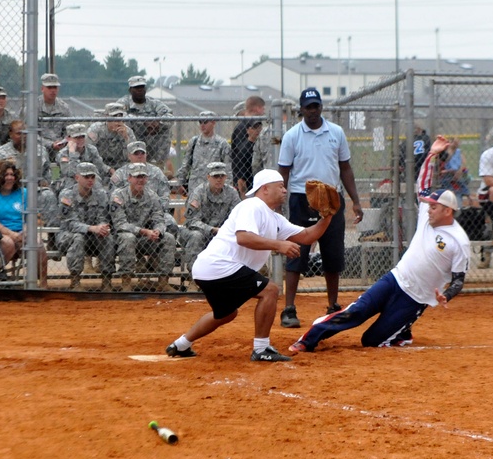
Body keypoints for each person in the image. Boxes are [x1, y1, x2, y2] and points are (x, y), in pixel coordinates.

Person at [289, 136, 470, 353]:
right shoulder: (427, 215)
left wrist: (446, 295)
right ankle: (307, 340)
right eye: (429, 206)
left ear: (447, 211)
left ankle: (402, 330)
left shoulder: (459, 241)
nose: (428, 209)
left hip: (416, 299)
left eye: (434, 207)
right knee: (355, 312)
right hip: (395, 279)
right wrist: (432, 154)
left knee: (371, 341)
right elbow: (422, 184)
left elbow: (459, 279)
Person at [164, 168, 334, 362]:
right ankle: (261, 349)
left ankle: (181, 344)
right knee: (270, 290)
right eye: (280, 186)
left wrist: (327, 217)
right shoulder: (252, 205)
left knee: (226, 314)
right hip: (220, 266)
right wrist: (279, 244)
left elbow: (307, 236)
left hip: (210, 270)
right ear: (265, 189)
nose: (285, 190)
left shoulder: (274, 218)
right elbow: (243, 237)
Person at [278, 87, 364, 327]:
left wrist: (356, 201)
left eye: (316, 106)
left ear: (321, 107)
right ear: (301, 109)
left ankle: (333, 306)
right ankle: (289, 309)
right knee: (297, 251)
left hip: (332, 198)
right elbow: (283, 171)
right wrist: (278, 202)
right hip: (302, 199)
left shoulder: (335, 132)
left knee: (332, 253)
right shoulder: (292, 136)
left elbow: (345, 168)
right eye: (308, 107)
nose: (312, 111)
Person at [0, 158, 48, 288]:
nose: (10, 178)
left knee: (38, 244)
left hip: (21, 232)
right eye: (6, 175)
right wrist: (11, 234)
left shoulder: (23, 193)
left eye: (12, 175)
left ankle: (42, 284)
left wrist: (26, 230)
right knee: (8, 243)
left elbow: (33, 217)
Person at [111, 162, 177, 292]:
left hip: (146, 238)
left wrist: (158, 230)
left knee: (168, 238)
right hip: (121, 239)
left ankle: (163, 282)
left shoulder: (152, 196)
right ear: (129, 178)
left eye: (143, 177)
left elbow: (159, 218)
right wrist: (143, 231)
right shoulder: (118, 196)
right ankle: (126, 283)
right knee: (128, 237)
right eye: (137, 177)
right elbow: (120, 224)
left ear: (147, 179)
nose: (140, 180)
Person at [56, 162, 115, 291]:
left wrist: (102, 227)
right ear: (77, 177)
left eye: (92, 177)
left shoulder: (100, 194)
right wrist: (92, 228)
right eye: (86, 177)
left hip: (93, 237)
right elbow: (69, 223)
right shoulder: (67, 195)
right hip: (68, 236)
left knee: (107, 237)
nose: (90, 180)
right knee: (78, 238)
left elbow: (103, 217)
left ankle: (106, 280)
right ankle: (75, 281)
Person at [0, 119, 58, 226]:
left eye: (26, 133)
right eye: (19, 133)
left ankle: (50, 230)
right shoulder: (1, 153)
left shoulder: (39, 150)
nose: (23, 136)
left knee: (48, 195)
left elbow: (47, 171)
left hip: (34, 188)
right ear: (11, 134)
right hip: (10, 189)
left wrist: (45, 181)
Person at [178, 162, 241, 271]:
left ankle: (232, 272)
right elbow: (191, 221)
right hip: (198, 231)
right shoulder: (199, 192)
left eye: (222, 176)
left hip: (223, 231)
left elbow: (238, 216)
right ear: (208, 177)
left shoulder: (232, 193)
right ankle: (195, 274)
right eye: (215, 176)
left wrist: (226, 230)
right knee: (196, 236)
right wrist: (211, 229)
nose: (219, 179)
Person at [117, 75, 173, 167]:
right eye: (136, 87)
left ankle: (158, 163)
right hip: (132, 137)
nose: (140, 90)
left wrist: (158, 123)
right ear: (130, 90)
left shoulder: (154, 103)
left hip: (152, 139)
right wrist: (144, 123)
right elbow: (119, 116)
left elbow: (169, 116)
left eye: (142, 87)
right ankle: (130, 160)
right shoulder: (124, 102)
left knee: (166, 130)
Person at [176, 111, 233, 196]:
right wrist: (180, 182)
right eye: (200, 122)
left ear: (213, 122)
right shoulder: (194, 142)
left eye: (205, 122)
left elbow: (227, 169)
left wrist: (227, 187)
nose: (202, 125)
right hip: (195, 189)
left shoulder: (222, 144)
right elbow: (185, 164)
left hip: (214, 190)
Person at [232, 95, 269, 198]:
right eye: (263, 108)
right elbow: (240, 157)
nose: (264, 111)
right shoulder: (242, 127)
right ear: (257, 108)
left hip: (255, 178)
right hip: (245, 180)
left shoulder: (255, 123)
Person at [57, 123, 111, 193]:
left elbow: (99, 168)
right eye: (76, 137)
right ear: (69, 138)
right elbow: (71, 173)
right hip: (70, 180)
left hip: (89, 176)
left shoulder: (92, 149)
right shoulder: (63, 153)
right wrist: (73, 153)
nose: (80, 140)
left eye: (82, 137)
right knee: (70, 183)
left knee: (96, 180)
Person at [87, 102, 135, 172]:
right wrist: (107, 169)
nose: (118, 120)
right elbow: (89, 151)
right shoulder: (96, 129)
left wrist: (126, 138)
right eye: (114, 116)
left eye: (120, 116)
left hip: (121, 165)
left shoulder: (127, 131)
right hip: (100, 164)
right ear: (106, 117)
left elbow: (134, 153)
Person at [33, 73, 72, 159]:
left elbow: (69, 130)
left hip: (60, 146)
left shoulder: (64, 107)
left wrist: (63, 141)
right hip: (39, 145)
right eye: (49, 87)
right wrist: (50, 144)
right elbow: (30, 134)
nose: (53, 90)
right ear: (42, 89)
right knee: (40, 154)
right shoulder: (33, 107)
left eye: (55, 87)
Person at [439, 137, 475, 206]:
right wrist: (448, 171)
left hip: (457, 173)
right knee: (448, 183)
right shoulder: (445, 152)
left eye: (456, 143)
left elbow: (463, 163)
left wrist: (459, 171)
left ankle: (467, 195)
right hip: (447, 174)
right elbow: (443, 165)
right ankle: (453, 193)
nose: (455, 144)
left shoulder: (458, 151)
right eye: (453, 142)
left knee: (461, 182)